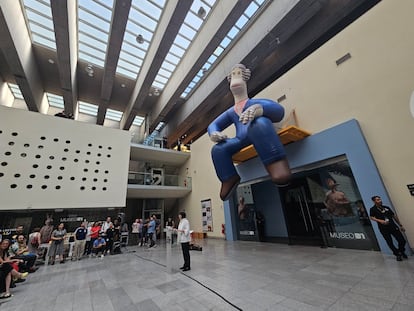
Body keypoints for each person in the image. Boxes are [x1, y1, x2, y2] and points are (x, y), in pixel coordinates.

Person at [207, 64, 291, 200]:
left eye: (238, 74)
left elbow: (278, 111)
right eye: (233, 75)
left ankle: (276, 162)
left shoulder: (254, 103)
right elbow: (214, 124)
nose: (235, 78)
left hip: (256, 134)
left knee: (261, 123)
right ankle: (229, 178)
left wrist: (258, 109)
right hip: (240, 139)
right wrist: (214, 133)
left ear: (245, 77)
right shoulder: (231, 111)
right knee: (218, 149)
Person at [369, 196, 407, 261]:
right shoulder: (372, 209)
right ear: (374, 201)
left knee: (402, 240)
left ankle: (400, 251)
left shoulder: (386, 208)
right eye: (378, 200)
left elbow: (394, 216)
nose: (380, 200)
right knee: (389, 242)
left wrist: (400, 225)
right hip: (383, 228)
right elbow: (372, 217)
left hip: (393, 226)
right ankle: (397, 254)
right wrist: (380, 221)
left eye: (380, 199)